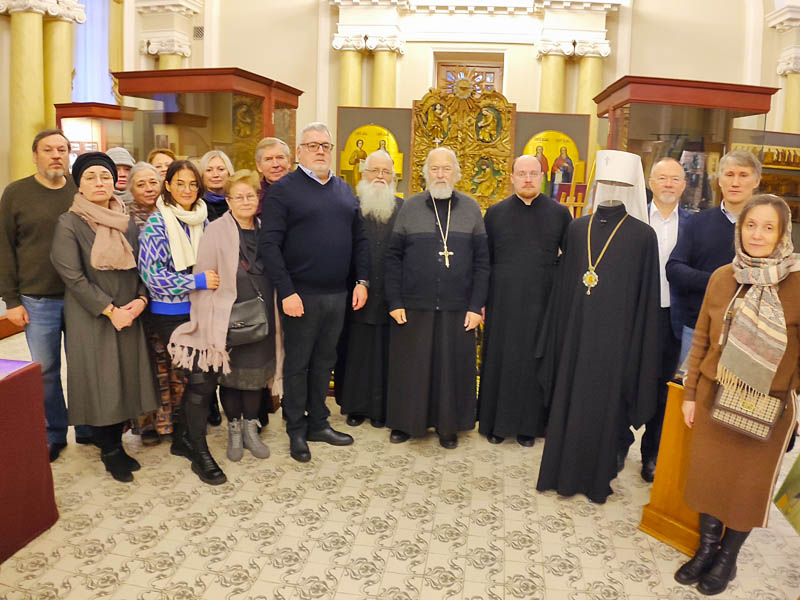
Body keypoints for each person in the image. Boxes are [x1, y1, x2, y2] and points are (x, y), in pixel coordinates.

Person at [676, 194, 800, 596]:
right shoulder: (723, 277)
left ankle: (727, 559)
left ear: (783, 233)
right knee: (710, 480)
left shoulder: (797, 283)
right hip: (715, 395)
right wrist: (691, 393)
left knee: (746, 487)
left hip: (770, 405)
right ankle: (706, 548)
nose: (758, 234)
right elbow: (702, 342)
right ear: (739, 228)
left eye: (768, 227)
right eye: (750, 225)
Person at [536, 149, 660, 504]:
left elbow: (646, 300)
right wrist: (556, 340)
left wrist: (637, 349)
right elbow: (563, 293)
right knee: (570, 400)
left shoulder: (642, 237)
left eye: (620, 184)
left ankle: (596, 480)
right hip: (575, 338)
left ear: (632, 188)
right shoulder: (576, 229)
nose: (613, 190)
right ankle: (559, 473)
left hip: (616, 344)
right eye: (607, 183)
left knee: (605, 408)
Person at [259, 122, 369, 463]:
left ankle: (319, 422)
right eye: (313, 145)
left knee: (325, 361)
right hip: (300, 296)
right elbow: (269, 245)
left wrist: (362, 281)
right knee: (298, 365)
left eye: (326, 145)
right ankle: (296, 428)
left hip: (338, 294)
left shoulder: (344, 190)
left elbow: (360, 239)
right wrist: (287, 292)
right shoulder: (285, 190)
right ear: (300, 151)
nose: (321, 150)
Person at [50, 152, 159, 482]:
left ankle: (116, 441)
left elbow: (143, 265)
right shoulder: (69, 223)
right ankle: (110, 449)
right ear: (79, 184)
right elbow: (72, 276)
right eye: (91, 177)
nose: (99, 183)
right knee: (102, 380)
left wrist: (140, 301)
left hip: (129, 309)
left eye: (105, 177)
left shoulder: (124, 219)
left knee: (126, 375)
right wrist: (110, 310)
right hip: (93, 314)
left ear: (115, 182)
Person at [169, 170, 280, 462]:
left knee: (255, 377)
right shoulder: (216, 230)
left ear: (258, 198)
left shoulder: (266, 227)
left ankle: (250, 429)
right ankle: (233, 430)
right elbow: (204, 275)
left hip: (264, 311)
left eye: (251, 195)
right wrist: (207, 320)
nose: (245, 201)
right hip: (228, 315)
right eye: (238, 196)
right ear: (228, 201)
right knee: (230, 377)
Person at [384, 147, 490, 449]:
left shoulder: (470, 208)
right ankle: (406, 423)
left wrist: (475, 306)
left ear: (457, 173)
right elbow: (393, 258)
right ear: (425, 173)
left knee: (451, 369)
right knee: (411, 367)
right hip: (414, 304)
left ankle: (449, 426)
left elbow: (483, 262)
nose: (440, 174)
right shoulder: (411, 207)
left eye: (446, 169)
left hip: (459, 307)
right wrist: (394, 301)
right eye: (435, 169)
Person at [0, 129, 94, 461]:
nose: (56, 155)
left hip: (81, 297)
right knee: (47, 370)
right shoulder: (16, 193)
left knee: (84, 366)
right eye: (48, 149)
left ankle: (86, 426)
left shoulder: (79, 189)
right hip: (37, 299)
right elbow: (5, 248)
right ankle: (55, 431)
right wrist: (11, 301)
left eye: (62, 149)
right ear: (35, 155)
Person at [138, 160, 225, 484]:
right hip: (171, 313)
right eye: (180, 183)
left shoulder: (203, 218)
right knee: (199, 378)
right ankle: (199, 452)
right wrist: (197, 281)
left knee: (208, 376)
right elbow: (152, 276)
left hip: (204, 310)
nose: (187, 190)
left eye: (193, 184)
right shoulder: (158, 224)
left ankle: (183, 438)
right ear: (169, 186)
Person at [478, 155, 571, 446]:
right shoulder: (494, 213)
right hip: (502, 302)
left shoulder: (560, 214)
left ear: (542, 176)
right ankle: (496, 424)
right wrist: (480, 301)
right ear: (512, 177)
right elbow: (483, 262)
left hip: (543, 303)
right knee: (500, 360)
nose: (528, 179)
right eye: (522, 174)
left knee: (535, 363)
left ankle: (529, 427)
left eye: (533, 173)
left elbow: (568, 260)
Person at [618, 157, 691, 481]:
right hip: (633, 315)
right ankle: (618, 446)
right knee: (625, 380)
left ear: (684, 185)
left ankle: (652, 454)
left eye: (675, 179)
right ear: (650, 183)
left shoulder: (693, 225)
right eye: (662, 178)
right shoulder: (632, 218)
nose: (669, 184)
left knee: (665, 387)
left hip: (671, 319)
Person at [667, 150, 762, 367]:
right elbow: (674, 268)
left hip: (749, 333)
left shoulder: (765, 228)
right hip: (698, 328)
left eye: (743, 175)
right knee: (688, 395)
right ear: (719, 180)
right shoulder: (698, 222)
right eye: (729, 174)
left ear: (756, 181)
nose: (735, 182)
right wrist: (717, 281)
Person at [339, 150, 403, 428]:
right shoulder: (350, 207)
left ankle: (381, 408)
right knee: (357, 351)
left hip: (391, 295)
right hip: (355, 292)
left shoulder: (404, 209)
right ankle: (355, 406)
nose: (380, 176)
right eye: (374, 171)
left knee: (386, 353)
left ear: (393, 178)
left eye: (386, 172)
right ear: (363, 175)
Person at [126, 162, 179, 447]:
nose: (148, 188)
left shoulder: (170, 214)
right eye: (141, 184)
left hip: (168, 300)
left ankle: (174, 421)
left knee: (172, 363)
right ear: (130, 188)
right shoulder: (122, 218)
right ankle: (146, 425)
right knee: (146, 365)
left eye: (153, 182)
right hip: (136, 299)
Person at [254, 137, 291, 214]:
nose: (275, 164)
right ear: (259, 166)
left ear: (289, 162)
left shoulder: (305, 190)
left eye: (280, 158)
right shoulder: (252, 196)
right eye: (268, 159)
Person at [199, 149, 235, 222]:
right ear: (202, 175)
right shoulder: (197, 205)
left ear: (229, 173)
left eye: (221, 169)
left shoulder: (238, 201)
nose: (215, 175)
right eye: (209, 170)